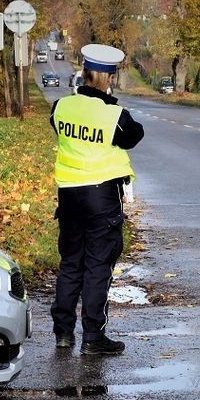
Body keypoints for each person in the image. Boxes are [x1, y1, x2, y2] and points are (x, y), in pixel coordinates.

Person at [48, 43, 144, 356]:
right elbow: (134, 135)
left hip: (69, 196)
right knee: (98, 266)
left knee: (71, 263)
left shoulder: (61, 108)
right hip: (101, 197)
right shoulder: (115, 116)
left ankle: (63, 333)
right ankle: (92, 337)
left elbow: (58, 127)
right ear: (107, 78)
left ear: (85, 72)